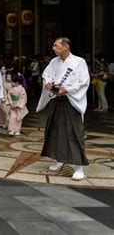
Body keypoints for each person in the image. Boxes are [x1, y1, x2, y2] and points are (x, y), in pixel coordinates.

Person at [36, 37, 90, 181]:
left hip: (70, 101)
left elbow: (84, 82)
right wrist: (48, 83)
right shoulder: (54, 61)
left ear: (66, 46)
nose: (53, 48)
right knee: (54, 130)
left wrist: (67, 89)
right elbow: (46, 75)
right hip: (55, 99)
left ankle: (79, 167)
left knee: (74, 133)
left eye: (56, 45)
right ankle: (58, 159)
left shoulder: (79, 62)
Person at [5, 71, 28, 136]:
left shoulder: (22, 89)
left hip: (18, 106)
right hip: (12, 105)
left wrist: (17, 104)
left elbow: (22, 98)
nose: (11, 83)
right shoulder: (10, 89)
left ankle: (17, 130)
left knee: (18, 118)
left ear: (17, 82)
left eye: (12, 82)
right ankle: (12, 130)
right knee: (12, 117)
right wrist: (11, 103)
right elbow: (9, 96)